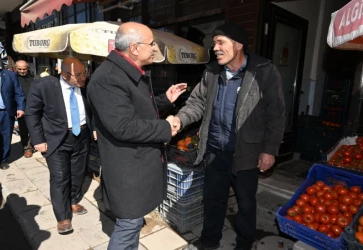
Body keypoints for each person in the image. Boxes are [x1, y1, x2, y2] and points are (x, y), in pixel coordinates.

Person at [171, 24, 285, 250]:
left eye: (220, 42)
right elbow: (197, 103)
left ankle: (243, 244)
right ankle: (209, 241)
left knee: (245, 203)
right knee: (213, 201)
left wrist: (269, 149)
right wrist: (180, 119)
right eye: (214, 43)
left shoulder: (264, 71)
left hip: (247, 153)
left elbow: (276, 113)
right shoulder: (212, 72)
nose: (215, 48)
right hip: (215, 151)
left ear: (239, 45)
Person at [87, 22, 187, 250]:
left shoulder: (126, 72)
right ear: (134, 48)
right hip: (127, 170)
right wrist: (165, 127)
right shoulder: (109, 78)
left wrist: (164, 100)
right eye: (152, 44)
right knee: (128, 225)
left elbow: (135, 108)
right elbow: (123, 126)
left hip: (136, 165)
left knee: (131, 225)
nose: (154, 49)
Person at [25, 57, 94, 234]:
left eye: (84, 73)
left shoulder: (85, 85)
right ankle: (62, 216)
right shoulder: (43, 86)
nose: (82, 78)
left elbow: (92, 109)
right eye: (78, 75)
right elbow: (32, 114)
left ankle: (73, 200)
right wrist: (38, 140)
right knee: (60, 177)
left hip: (81, 135)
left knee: (78, 173)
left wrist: (94, 129)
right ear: (63, 73)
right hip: (56, 139)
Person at [0, 54, 25, 174]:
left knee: (6, 136)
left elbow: (18, 92)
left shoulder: (9, 75)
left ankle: (4, 160)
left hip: (6, 112)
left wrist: (20, 108)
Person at [15, 60, 34, 158]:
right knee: (23, 129)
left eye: (24, 69)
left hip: (33, 107)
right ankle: (26, 147)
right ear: (16, 68)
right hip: (21, 108)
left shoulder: (33, 78)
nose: (22, 71)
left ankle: (32, 144)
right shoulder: (13, 78)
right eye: (20, 69)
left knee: (33, 128)